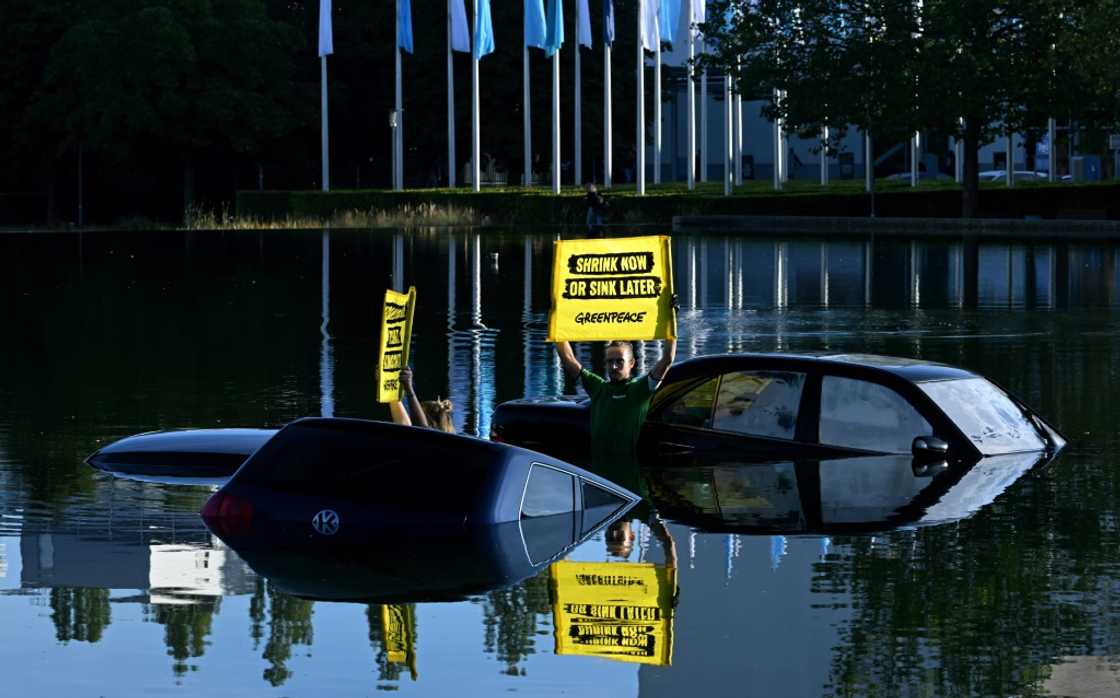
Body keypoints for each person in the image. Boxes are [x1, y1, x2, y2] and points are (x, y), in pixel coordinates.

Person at [555, 335, 677, 465]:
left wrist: (670, 332)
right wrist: (558, 331)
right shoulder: (598, 388)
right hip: (598, 473)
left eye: (619, 361)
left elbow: (667, 360)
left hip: (627, 473)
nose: (613, 366)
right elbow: (568, 359)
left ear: (631, 363)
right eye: (610, 361)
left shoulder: (640, 390)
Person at [387, 367, 456, 433]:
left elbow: (422, 430)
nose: (412, 419)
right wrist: (389, 386)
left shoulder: (424, 436)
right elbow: (405, 425)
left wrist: (409, 389)